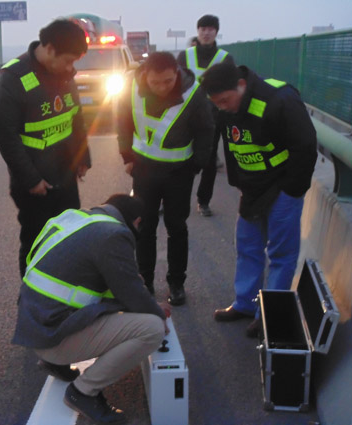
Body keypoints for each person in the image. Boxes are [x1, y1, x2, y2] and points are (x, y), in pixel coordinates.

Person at [12, 194, 170, 424]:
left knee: (126, 296)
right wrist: (157, 311)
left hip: (35, 327)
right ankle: (84, 392)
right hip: (53, 339)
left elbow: (78, 280)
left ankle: (56, 363)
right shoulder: (113, 234)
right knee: (152, 329)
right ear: (136, 221)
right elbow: (132, 296)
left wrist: (131, 285)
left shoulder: (75, 218)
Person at [200, 62, 317, 337]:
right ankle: (246, 304)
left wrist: (292, 190)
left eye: (225, 100)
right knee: (248, 246)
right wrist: (239, 183)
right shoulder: (227, 108)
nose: (222, 108)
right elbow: (232, 147)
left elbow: (305, 146)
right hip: (252, 187)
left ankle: (269, 316)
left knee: (280, 253)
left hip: (282, 186)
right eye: (216, 103)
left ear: (241, 86)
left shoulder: (279, 99)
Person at [0, 19, 91, 277]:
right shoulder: (13, 78)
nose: (71, 68)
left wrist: (82, 157)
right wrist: (31, 179)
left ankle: (63, 290)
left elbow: (76, 118)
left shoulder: (65, 75)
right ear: (49, 49)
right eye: (68, 60)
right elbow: (6, 136)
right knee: (36, 242)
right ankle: (32, 295)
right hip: (35, 183)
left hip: (65, 174)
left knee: (68, 237)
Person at [117, 51, 214, 304]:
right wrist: (127, 157)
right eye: (155, 82)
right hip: (143, 171)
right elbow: (123, 121)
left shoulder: (193, 94)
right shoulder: (131, 88)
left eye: (168, 81)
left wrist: (197, 165)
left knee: (177, 227)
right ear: (145, 76)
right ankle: (145, 281)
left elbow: (206, 131)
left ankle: (176, 283)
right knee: (144, 226)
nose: (162, 87)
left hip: (179, 173)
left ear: (177, 73)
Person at [177, 14, 235, 217]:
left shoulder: (225, 58)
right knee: (181, 160)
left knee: (209, 162)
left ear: (216, 32)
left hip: (213, 119)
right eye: (203, 29)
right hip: (186, 117)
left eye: (211, 29)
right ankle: (174, 199)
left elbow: (230, 88)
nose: (206, 32)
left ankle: (203, 201)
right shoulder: (185, 56)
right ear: (198, 31)